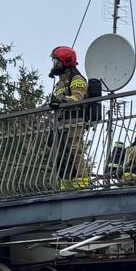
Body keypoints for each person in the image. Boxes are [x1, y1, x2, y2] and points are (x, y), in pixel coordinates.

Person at [48, 45, 100, 189]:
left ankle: (82, 180)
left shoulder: (76, 78)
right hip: (61, 122)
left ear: (66, 61)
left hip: (75, 121)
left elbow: (77, 98)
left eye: (57, 62)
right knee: (60, 153)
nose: (54, 65)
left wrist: (62, 101)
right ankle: (66, 182)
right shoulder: (60, 82)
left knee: (75, 151)